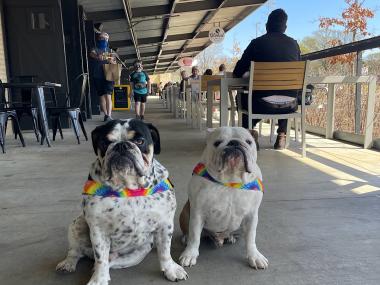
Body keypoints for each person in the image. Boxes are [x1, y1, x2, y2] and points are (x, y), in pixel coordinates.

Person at [233, 9, 301, 150]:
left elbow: (237, 72)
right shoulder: (294, 45)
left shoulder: (256, 43)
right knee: (286, 94)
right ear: (285, 27)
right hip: (289, 106)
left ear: (267, 25)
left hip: (260, 105)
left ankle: (249, 136)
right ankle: (282, 135)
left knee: (243, 97)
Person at [89, 32, 116, 122]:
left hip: (108, 74)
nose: (103, 40)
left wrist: (111, 60)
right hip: (97, 74)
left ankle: (109, 115)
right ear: (98, 39)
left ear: (108, 39)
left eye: (105, 38)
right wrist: (98, 56)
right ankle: (105, 115)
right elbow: (91, 54)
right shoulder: (95, 49)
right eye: (101, 38)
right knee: (101, 96)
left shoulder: (110, 51)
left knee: (108, 95)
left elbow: (114, 63)